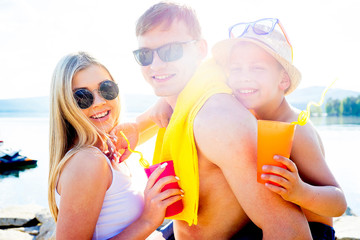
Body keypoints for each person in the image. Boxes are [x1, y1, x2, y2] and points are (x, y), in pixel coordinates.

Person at [127, 2, 313, 239]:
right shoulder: (183, 104)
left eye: (171, 51)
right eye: (144, 55)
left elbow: (289, 230)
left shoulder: (218, 120)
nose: (156, 64)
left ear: (200, 49)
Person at [211, 18, 347, 239]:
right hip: (269, 222)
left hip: (311, 231)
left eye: (256, 68)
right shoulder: (248, 117)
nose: (244, 77)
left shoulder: (296, 129)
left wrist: (300, 191)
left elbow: (339, 202)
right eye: (236, 69)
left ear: (283, 80)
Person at [47, 51, 184, 240]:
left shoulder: (108, 147)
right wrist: (148, 220)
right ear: (65, 105)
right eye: (82, 97)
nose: (100, 102)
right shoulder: (88, 161)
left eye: (107, 89)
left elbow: (156, 116)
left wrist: (164, 102)